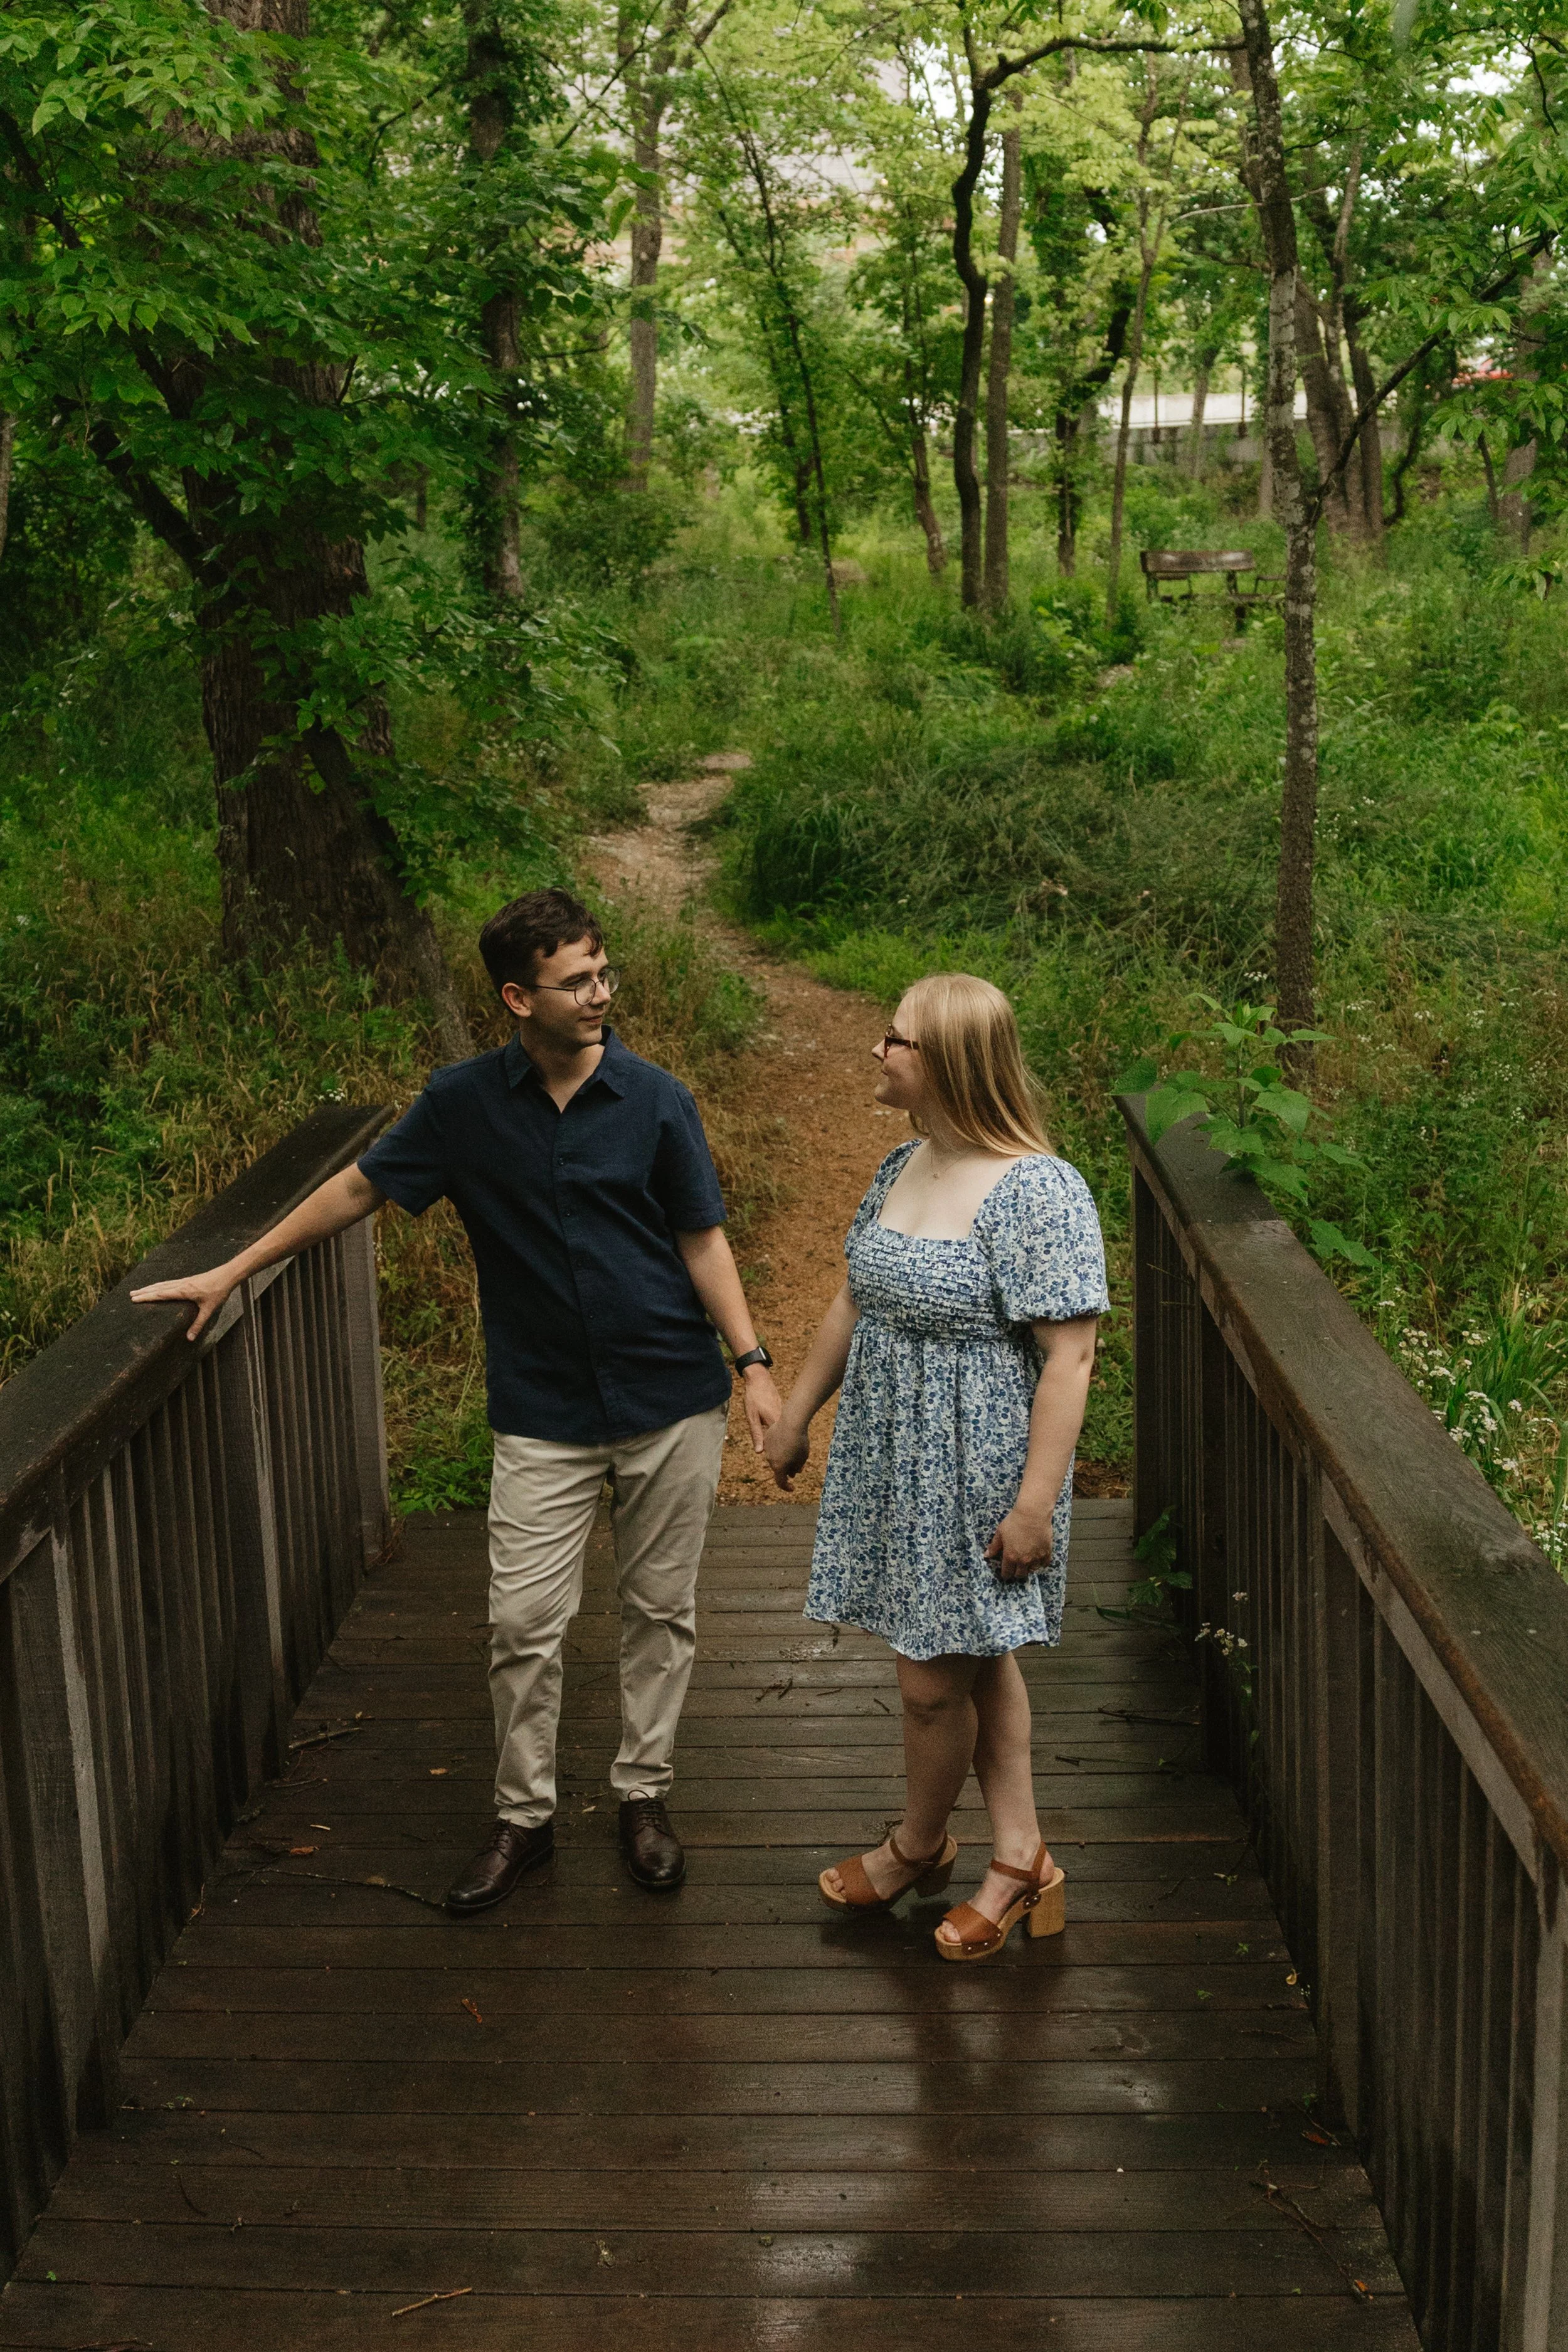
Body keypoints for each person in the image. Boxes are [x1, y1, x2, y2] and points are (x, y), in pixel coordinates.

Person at [132, 888, 781, 1911]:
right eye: (576, 981)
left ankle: (643, 1794)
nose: (600, 994)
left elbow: (701, 1237)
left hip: (670, 1395)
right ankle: (524, 1818)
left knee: (661, 1610)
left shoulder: (658, 1101)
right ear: (518, 997)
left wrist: (753, 1365)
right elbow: (359, 1187)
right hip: (543, 1409)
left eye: (604, 973)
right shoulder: (463, 1103)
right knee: (522, 1620)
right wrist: (235, 1267)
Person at [762, 973, 1106, 1961]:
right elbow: (853, 1298)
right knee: (975, 1657)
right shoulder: (905, 1163)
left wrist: (1034, 1505)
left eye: (895, 1038)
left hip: (982, 1472)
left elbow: (1071, 1357)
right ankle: (1023, 1855)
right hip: (900, 1463)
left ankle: (918, 1845)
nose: (877, 1050)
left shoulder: (1036, 1188)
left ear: (947, 1061)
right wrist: (796, 1417)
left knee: (928, 1683)